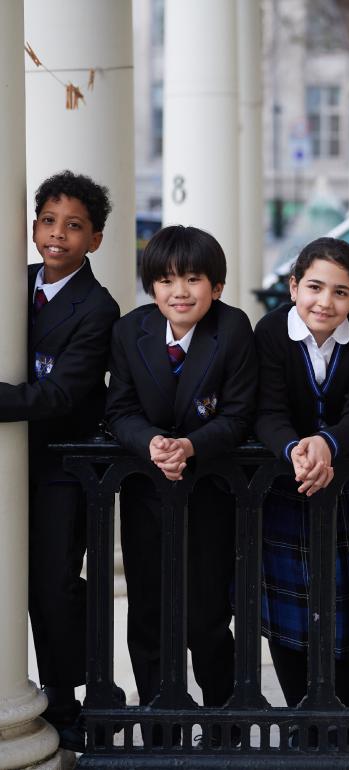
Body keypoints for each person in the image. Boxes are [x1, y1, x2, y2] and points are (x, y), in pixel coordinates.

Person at [105, 225, 257, 729]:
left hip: (210, 489)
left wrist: (190, 446)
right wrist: (152, 443)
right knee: (147, 607)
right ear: (152, 286)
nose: (181, 292)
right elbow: (120, 409)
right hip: (147, 488)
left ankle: (223, 716)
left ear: (216, 286)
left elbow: (238, 416)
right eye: (167, 280)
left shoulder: (232, 329)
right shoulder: (131, 331)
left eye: (194, 279)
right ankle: (157, 714)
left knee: (207, 614)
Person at [0, 170, 120, 751]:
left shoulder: (99, 307)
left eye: (74, 226)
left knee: (53, 589)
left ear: (94, 239)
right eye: (48, 221)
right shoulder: (11, 282)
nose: (57, 234)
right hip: (7, 466)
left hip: (57, 470)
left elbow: (63, 394)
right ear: (32, 226)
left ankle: (66, 702)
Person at [254, 237, 349, 724]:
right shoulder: (269, 332)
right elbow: (265, 412)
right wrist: (296, 450)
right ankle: (300, 721)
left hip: (344, 487)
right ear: (293, 286)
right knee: (287, 612)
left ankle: (338, 720)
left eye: (341, 292)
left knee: (341, 605)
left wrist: (327, 445)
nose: (325, 302)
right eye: (314, 287)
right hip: (282, 486)